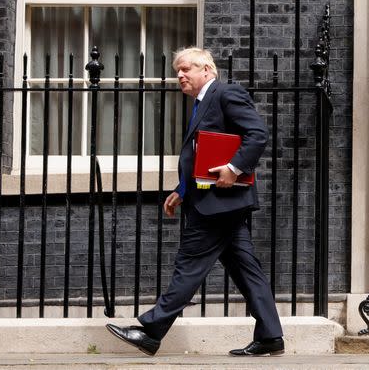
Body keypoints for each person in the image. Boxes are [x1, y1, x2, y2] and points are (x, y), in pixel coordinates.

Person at [106, 47, 284, 357]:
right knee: (246, 270)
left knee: (188, 266)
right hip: (214, 201)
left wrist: (233, 168)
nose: (180, 75)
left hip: (217, 204)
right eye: (178, 71)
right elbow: (202, 156)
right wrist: (183, 189)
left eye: (186, 69)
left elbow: (257, 134)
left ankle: (150, 331)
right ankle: (270, 336)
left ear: (207, 70)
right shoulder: (203, 102)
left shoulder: (226, 94)